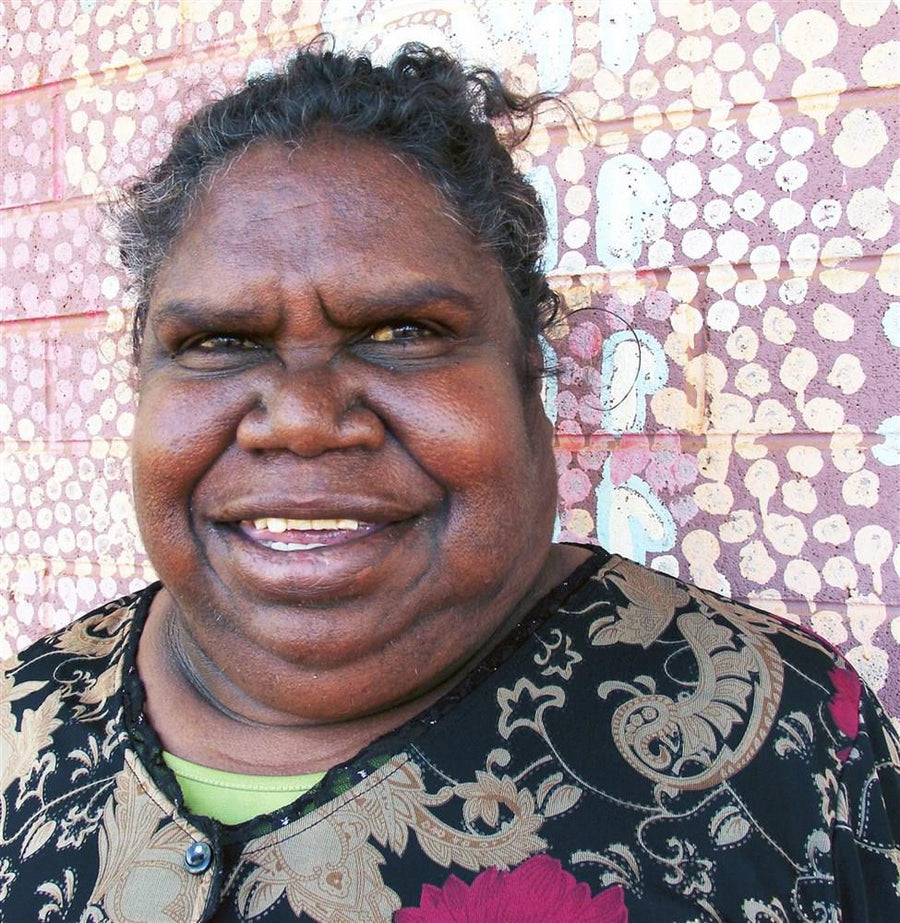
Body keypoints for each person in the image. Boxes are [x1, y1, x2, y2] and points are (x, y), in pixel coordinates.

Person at [1, 41, 898, 923]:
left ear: (529, 383)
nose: (305, 416)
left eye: (401, 331)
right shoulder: (22, 725)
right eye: (218, 342)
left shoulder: (788, 748)